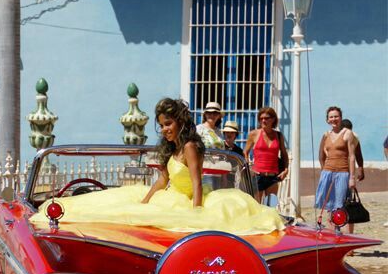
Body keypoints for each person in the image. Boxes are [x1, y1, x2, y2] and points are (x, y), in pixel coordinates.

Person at [31, 98, 284, 235]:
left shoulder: (190, 147)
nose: (164, 129)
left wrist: (196, 213)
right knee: (118, 207)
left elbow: (197, 182)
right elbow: (163, 180)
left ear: (180, 121)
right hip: (168, 196)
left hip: (186, 200)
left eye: (168, 123)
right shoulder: (172, 147)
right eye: (162, 125)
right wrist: (145, 200)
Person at [315, 106, 356, 222]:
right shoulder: (326, 135)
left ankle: (339, 232)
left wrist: (352, 177)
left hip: (342, 173)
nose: (334, 119)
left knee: (340, 205)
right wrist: (323, 170)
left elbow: (352, 156)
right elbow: (322, 154)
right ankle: (331, 232)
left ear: (341, 118)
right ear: (327, 120)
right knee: (328, 206)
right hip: (327, 173)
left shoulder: (347, 133)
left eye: (336, 116)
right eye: (331, 117)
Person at [244, 107, 289, 203]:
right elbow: (245, 152)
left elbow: (284, 154)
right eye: (261, 118)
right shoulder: (254, 134)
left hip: (273, 177)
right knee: (256, 207)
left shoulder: (279, 135)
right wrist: (249, 167)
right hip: (257, 176)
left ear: (273, 119)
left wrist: (285, 170)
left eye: (266, 118)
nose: (263, 120)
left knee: (270, 208)